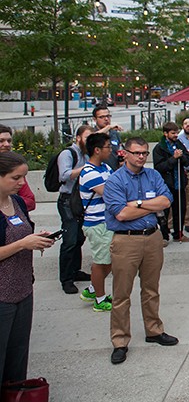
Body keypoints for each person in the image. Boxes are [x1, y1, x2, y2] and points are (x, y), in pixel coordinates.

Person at [103, 137, 178, 365]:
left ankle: (154, 330)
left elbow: (166, 201)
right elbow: (120, 214)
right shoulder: (115, 181)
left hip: (152, 238)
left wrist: (135, 204)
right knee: (121, 294)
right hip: (126, 241)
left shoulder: (153, 175)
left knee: (151, 289)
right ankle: (120, 341)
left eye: (145, 153)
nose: (142, 157)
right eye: (137, 153)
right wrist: (147, 206)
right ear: (124, 153)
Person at [0, 152, 55, 384]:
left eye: (23, 176)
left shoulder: (18, 202)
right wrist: (23, 243)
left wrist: (35, 240)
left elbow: (20, 235)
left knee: (18, 354)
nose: (22, 183)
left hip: (23, 288)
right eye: (16, 178)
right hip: (2, 295)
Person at [78, 132, 115, 312]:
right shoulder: (89, 173)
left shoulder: (105, 168)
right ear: (97, 150)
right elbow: (110, 194)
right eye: (108, 147)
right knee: (101, 261)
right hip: (97, 224)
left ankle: (93, 289)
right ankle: (99, 300)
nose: (111, 150)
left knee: (108, 260)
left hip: (107, 222)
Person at [57, 125, 93, 295]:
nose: (89, 141)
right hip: (67, 200)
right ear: (78, 137)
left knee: (79, 238)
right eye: (86, 137)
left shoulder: (86, 154)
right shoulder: (68, 154)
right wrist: (85, 169)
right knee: (70, 240)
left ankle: (75, 270)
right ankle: (66, 279)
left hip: (80, 200)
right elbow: (63, 175)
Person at [153, 122, 189, 244]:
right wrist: (173, 159)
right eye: (173, 133)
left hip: (179, 183)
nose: (176, 135)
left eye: (176, 132)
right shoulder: (159, 148)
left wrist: (182, 157)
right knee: (164, 212)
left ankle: (178, 233)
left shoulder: (179, 144)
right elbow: (159, 167)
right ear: (166, 134)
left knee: (180, 209)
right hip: (166, 185)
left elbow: (187, 161)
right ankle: (164, 236)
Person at [0, 125, 35, 211]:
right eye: (1, 141)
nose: (7, 144)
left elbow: (30, 201)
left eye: (9, 141)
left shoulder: (14, 166)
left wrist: (9, 205)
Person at [92, 104, 124, 169]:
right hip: (98, 172)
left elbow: (119, 150)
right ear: (94, 119)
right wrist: (108, 127)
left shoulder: (115, 134)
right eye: (102, 117)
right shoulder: (92, 132)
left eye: (108, 116)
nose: (106, 119)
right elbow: (91, 138)